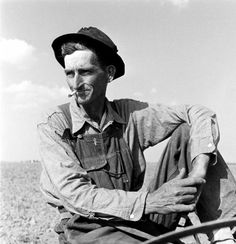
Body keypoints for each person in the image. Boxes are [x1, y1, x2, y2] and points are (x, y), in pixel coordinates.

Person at [37, 26, 236, 244]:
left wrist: (198, 171)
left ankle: (224, 235)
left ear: (109, 73)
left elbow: (197, 112)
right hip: (87, 228)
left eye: (85, 72)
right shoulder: (54, 123)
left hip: (138, 218)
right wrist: (151, 201)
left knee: (189, 130)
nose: (76, 83)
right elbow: (77, 195)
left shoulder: (129, 114)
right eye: (69, 73)